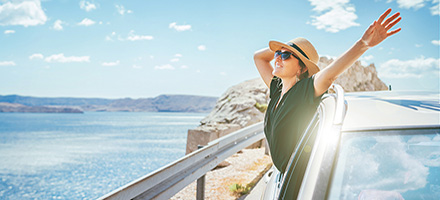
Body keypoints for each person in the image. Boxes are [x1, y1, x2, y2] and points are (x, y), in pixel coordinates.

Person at [253, 8, 401, 199]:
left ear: (301, 67)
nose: (277, 58)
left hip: (300, 184)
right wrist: (286, 48)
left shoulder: (305, 91)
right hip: (284, 179)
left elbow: (330, 74)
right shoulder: (276, 88)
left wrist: (363, 44)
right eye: (277, 54)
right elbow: (258, 56)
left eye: (285, 56)